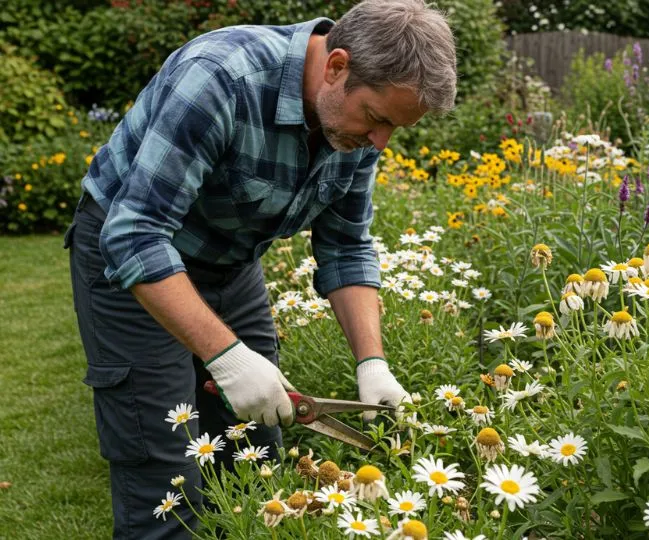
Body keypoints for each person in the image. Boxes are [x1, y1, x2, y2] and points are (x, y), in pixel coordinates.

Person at [63, 0, 457, 537]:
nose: (381, 142)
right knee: (166, 469)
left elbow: (346, 247)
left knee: (255, 453)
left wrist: (372, 363)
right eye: (379, 119)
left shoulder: (353, 121)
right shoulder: (221, 77)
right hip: (128, 255)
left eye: (395, 128)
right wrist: (225, 356)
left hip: (230, 260)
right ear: (337, 66)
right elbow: (136, 233)